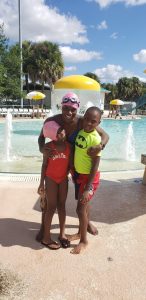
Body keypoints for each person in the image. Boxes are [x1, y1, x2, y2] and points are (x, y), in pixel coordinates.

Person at [37, 92, 109, 241]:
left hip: (77, 166)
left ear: (77, 109)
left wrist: (100, 146)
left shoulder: (83, 121)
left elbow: (105, 135)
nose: (69, 112)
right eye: (66, 108)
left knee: (82, 199)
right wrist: (41, 148)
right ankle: (43, 227)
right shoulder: (53, 120)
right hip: (59, 164)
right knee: (49, 199)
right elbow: (41, 137)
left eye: (73, 109)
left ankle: (86, 223)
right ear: (61, 107)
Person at [70, 106, 102, 254]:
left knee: (80, 209)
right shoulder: (82, 131)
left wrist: (88, 188)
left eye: (93, 121)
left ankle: (84, 241)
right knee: (84, 207)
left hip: (90, 179)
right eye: (87, 119)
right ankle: (80, 232)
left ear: (98, 123)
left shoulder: (95, 139)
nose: (89, 123)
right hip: (80, 175)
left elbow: (95, 166)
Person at [38, 120, 71, 249]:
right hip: (50, 179)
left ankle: (62, 234)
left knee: (62, 206)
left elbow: (70, 165)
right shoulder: (48, 147)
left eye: (62, 130)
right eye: (58, 132)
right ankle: (46, 238)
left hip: (63, 179)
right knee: (51, 207)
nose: (62, 132)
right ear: (53, 136)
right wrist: (41, 183)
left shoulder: (69, 147)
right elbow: (44, 165)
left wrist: (68, 174)